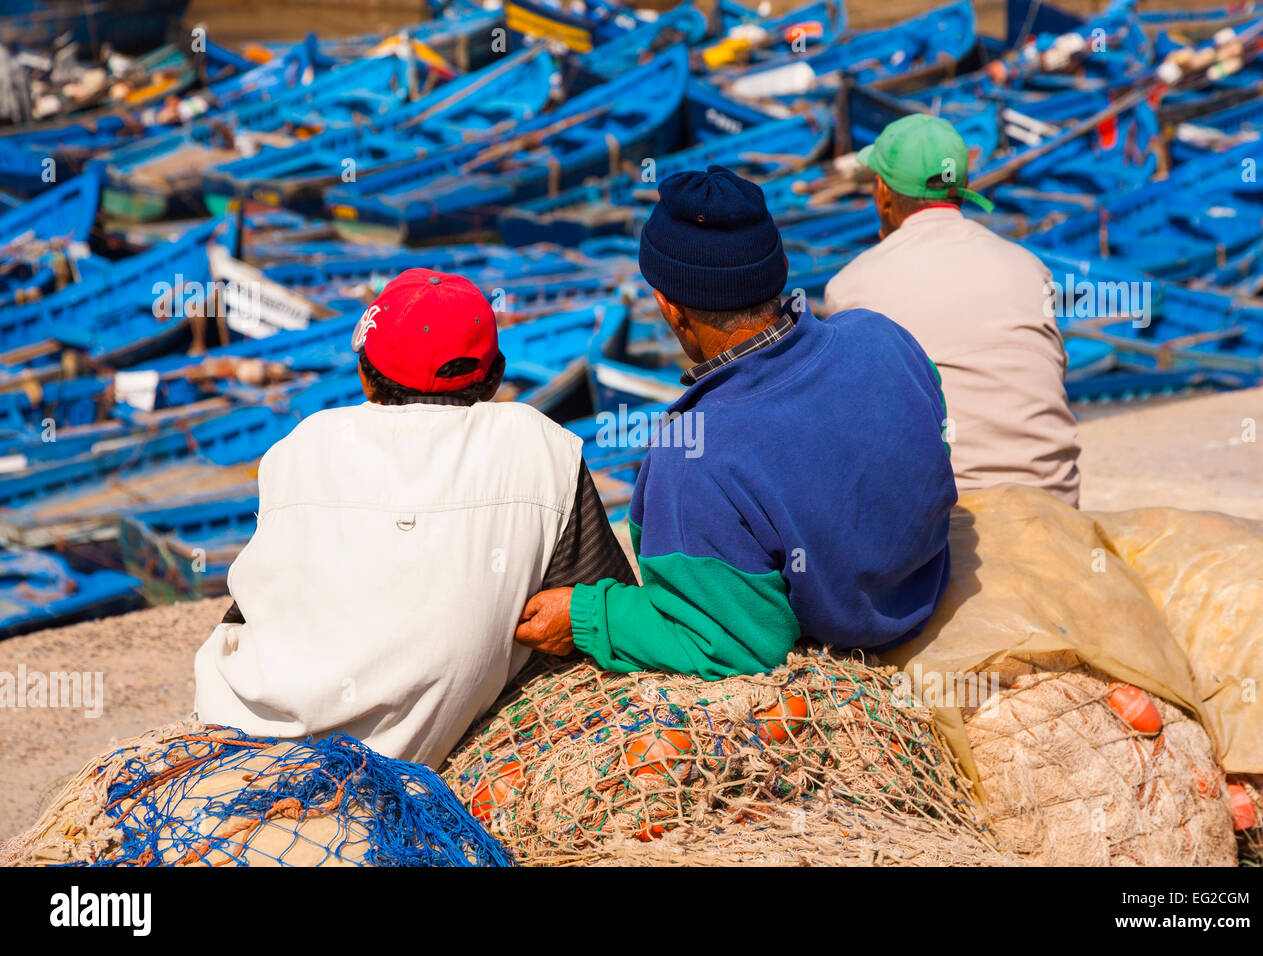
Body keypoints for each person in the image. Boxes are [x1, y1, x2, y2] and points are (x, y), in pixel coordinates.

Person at [515, 165, 957, 679]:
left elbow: (733, 640)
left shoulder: (692, 456)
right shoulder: (883, 337)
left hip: (863, 634)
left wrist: (586, 614)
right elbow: (936, 446)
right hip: (931, 584)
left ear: (669, 308)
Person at [194, 269, 634, 766]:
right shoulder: (540, 445)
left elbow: (260, 597)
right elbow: (602, 604)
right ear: (495, 377)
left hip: (235, 727)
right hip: (400, 758)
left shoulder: (302, 445)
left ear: (364, 375)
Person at [825, 113, 1081, 506]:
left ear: (883, 192)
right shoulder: (1029, 267)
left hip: (944, 522)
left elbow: (852, 429)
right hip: (1055, 502)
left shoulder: (850, 287)